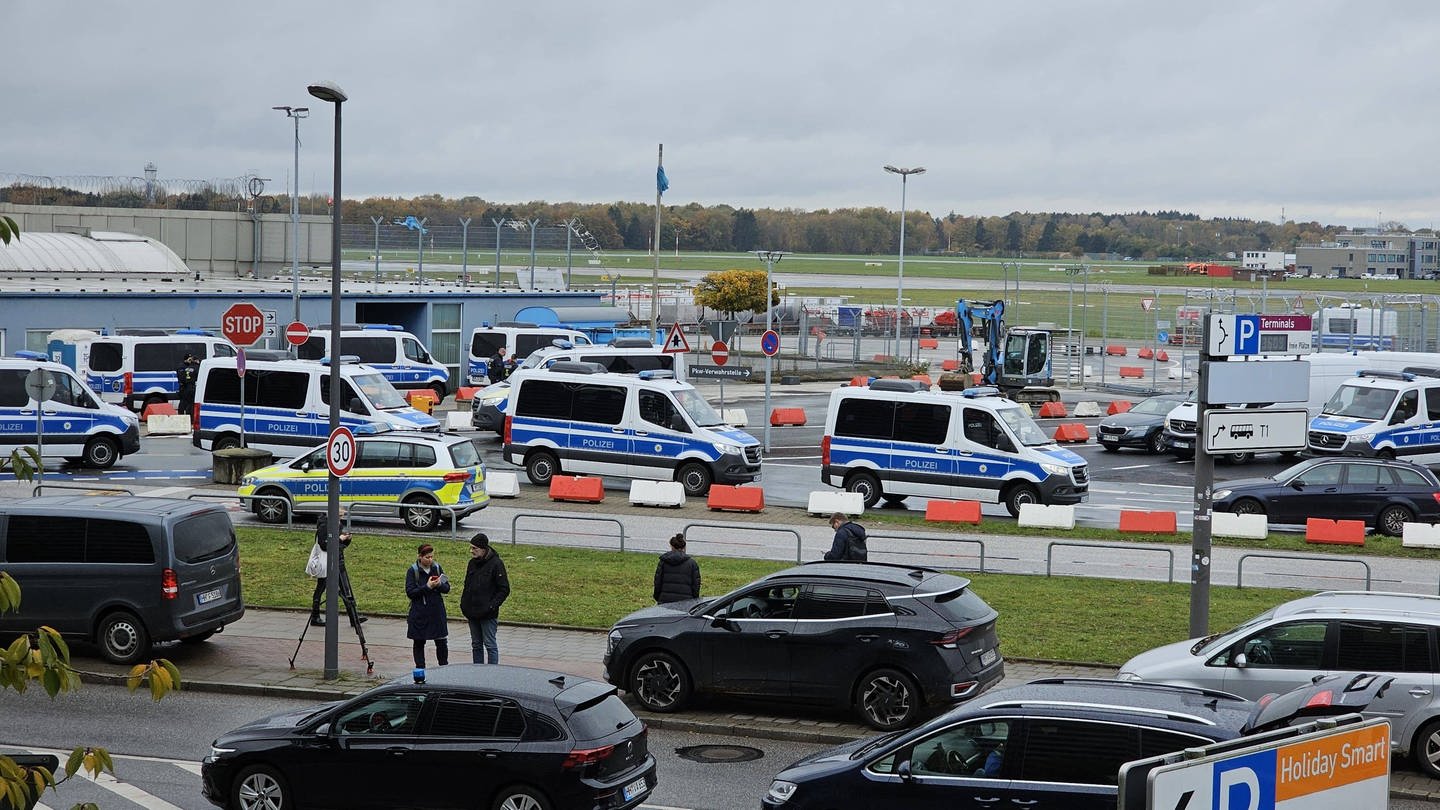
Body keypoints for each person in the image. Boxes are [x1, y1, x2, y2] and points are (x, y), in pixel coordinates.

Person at [308, 509, 365, 627]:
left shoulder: (337, 524)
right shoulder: (325, 526)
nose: (341, 519)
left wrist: (347, 540)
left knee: (346, 590)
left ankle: (353, 618)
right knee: (321, 588)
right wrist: (340, 539)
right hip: (328, 562)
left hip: (338, 560)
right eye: (339, 516)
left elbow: (339, 545)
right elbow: (325, 545)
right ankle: (315, 616)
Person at [460, 532, 510, 664]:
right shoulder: (472, 563)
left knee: (490, 644)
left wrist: (492, 606)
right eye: (471, 548)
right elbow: (467, 585)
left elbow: (504, 589)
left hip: (488, 613)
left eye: (474, 548)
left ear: (483, 548)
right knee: (476, 644)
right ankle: (478, 671)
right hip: (472, 611)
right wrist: (464, 604)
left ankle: (492, 672)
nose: (472, 551)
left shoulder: (496, 564)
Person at [405, 543, 450, 668]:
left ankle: (443, 667)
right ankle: (420, 668)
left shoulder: (437, 567)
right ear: (420, 557)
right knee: (419, 642)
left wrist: (440, 585)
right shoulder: (413, 571)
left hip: (436, 611)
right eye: (427, 557)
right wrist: (427, 587)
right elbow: (410, 592)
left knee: (441, 641)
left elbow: (447, 588)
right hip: (420, 612)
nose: (430, 560)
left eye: (432, 557)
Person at [653, 533, 700, 604]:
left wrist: (658, 597)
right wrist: (694, 600)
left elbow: (658, 582)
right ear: (684, 547)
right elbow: (696, 585)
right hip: (686, 602)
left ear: (671, 546)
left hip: (664, 600)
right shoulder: (692, 563)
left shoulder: (663, 561)